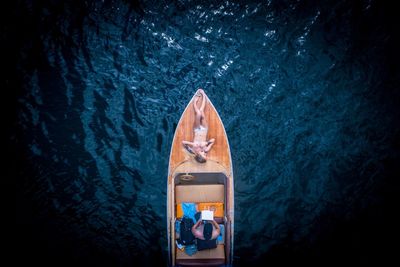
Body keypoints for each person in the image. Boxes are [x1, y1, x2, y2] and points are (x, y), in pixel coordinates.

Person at [182, 89, 215, 163]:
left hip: (197, 130)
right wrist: (207, 143)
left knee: (198, 114)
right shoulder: (206, 149)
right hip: (204, 129)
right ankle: (203, 95)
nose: (205, 154)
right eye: (205, 155)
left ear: (199, 155)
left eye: (204, 155)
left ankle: (194, 102)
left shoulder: (193, 151)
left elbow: (183, 142)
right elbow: (213, 140)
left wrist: (193, 144)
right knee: (202, 112)